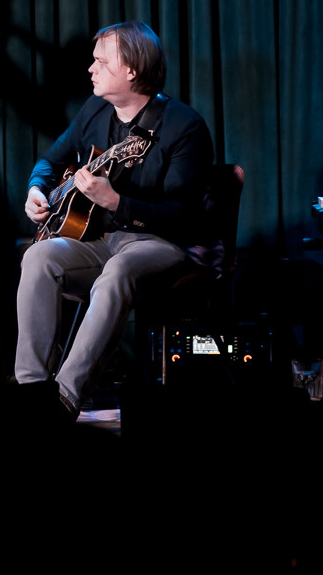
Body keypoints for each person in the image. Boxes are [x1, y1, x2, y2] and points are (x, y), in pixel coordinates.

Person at [15, 21, 213, 417]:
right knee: (38, 257)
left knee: (118, 270)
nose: (91, 69)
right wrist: (36, 189)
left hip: (162, 244)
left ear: (132, 71)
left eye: (101, 62)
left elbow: (184, 217)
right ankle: (30, 390)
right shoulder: (95, 110)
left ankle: (63, 400)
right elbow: (50, 161)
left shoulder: (184, 127)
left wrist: (116, 202)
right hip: (100, 239)